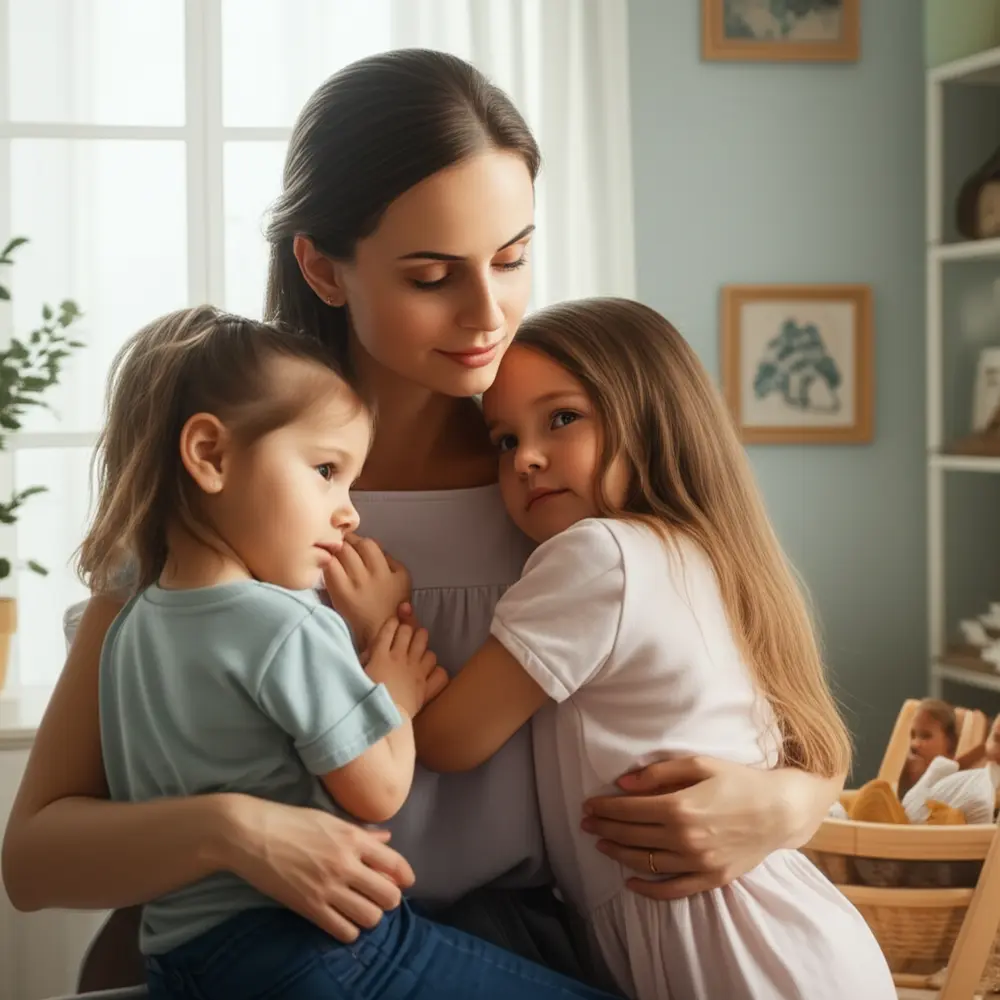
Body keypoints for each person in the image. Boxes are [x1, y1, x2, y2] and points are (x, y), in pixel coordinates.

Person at [2, 49, 844, 990]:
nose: (489, 314)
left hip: (531, 958)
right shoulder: (229, 494)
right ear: (323, 268)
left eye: (513, 259)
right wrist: (237, 830)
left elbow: (790, 731)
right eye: (434, 275)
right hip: (278, 963)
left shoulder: (559, 492)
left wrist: (784, 806)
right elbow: (35, 861)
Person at [325, 298, 895, 1000]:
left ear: (651, 416)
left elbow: (447, 742)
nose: (527, 458)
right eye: (504, 440)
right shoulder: (699, 555)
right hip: (783, 938)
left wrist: (383, 624)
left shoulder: (598, 557)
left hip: (729, 949)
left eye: (563, 419)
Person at [80, 304, 619, 999]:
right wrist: (393, 682)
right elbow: (378, 788)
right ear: (209, 455)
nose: (350, 510)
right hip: (309, 946)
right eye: (327, 470)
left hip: (179, 957)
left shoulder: (133, 623)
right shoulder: (285, 624)